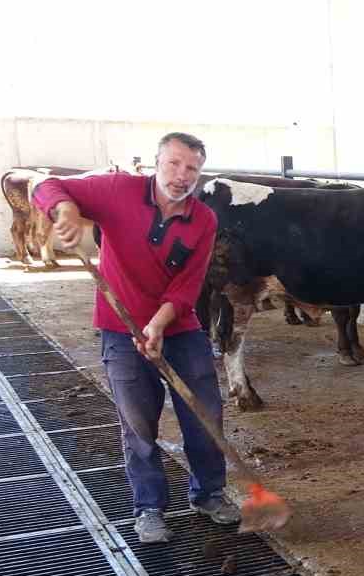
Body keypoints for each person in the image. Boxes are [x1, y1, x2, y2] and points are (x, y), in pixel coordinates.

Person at [31, 132, 239, 543]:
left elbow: (187, 286)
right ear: (157, 163)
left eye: (192, 168)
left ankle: (209, 493)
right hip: (119, 327)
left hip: (178, 328)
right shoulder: (116, 190)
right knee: (138, 423)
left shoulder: (203, 219)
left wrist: (159, 323)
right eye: (173, 164)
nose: (181, 176)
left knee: (205, 412)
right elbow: (44, 185)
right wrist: (67, 210)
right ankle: (149, 508)